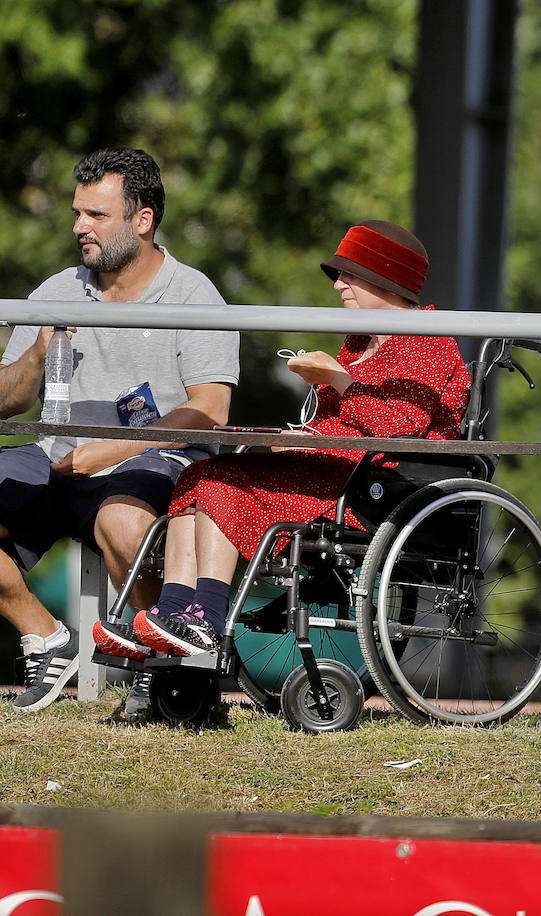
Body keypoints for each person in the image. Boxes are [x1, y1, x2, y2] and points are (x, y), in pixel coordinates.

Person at [91, 220, 470, 660]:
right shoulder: (359, 342)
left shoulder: (427, 341)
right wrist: (300, 437)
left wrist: (339, 380)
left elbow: (396, 432)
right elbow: (338, 422)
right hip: (335, 468)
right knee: (198, 475)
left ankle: (207, 619)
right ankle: (173, 610)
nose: (338, 286)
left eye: (348, 275)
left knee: (221, 484)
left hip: (377, 486)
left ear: (385, 278)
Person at [0, 146, 239, 714]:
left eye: (96, 215)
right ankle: (47, 639)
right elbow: (8, 400)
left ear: (143, 219)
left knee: (123, 521)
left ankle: (159, 662)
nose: (79, 227)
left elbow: (211, 408)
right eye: (77, 213)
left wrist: (109, 450)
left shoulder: (193, 294)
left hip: (153, 460)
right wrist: (36, 354)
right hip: (55, 456)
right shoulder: (55, 290)